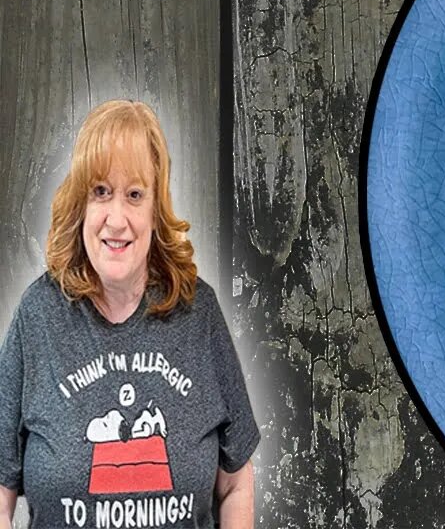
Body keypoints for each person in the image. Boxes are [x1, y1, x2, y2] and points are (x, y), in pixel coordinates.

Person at [0, 100, 257, 528]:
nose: (115, 219)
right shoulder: (39, 316)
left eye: (134, 195)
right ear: (81, 202)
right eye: (101, 191)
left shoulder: (198, 313)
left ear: (155, 211)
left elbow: (235, 486)